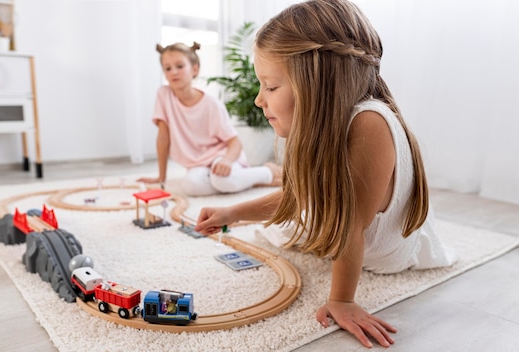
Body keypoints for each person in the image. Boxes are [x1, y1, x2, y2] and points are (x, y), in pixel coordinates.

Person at [194, 0, 456, 348]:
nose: (259, 100)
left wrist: (343, 300)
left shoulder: (369, 123)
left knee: (300, 229)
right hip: (346, 227)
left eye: (270, 87)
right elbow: (303, 196)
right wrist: (232, 213)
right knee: (289, 225)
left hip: (387, 253)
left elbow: (349, 224)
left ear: (319, 82)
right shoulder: (327, 125)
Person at [137, 42, 282, 196]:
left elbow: (235, 143)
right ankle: (241, 180)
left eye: (179, 66)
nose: (173, 72)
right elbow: (163, 138)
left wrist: (226, 160)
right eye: (168, 68)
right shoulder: (164, 95)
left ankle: (268, 172)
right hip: (198, 163)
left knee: (222, 180)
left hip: (222, 155)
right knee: (191, 186)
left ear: (194, 69)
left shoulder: (211, 104)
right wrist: (161, 176)